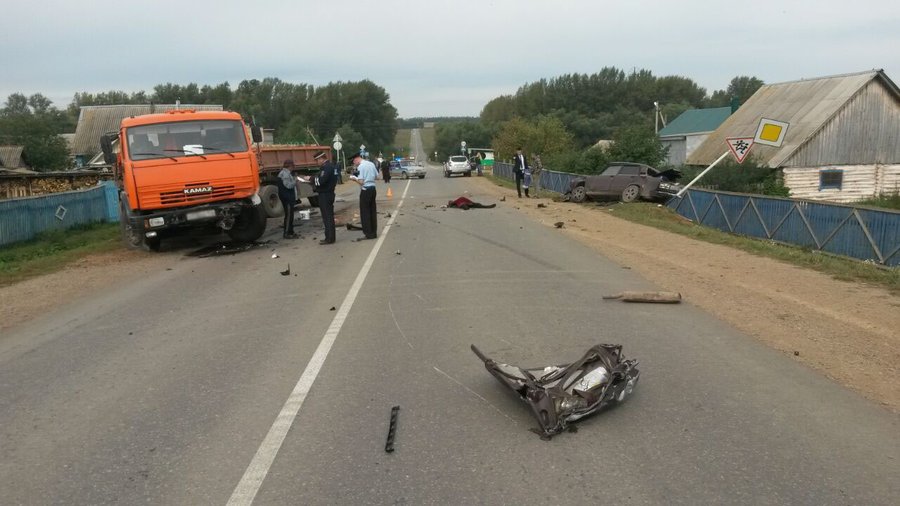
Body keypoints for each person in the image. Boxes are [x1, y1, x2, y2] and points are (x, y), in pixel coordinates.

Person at [348, 152, 378, 240]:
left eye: (354, 162)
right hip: (373, 189)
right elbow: (377, 176)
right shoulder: (371, 164)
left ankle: (368, 233)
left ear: (356, 159)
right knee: (372, 212)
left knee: (365, 213)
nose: (354, 164)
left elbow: (361, 182)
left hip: (365, 190)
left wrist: (354, 178)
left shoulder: (361, 166)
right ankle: (373, 232)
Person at [313, 151, 338, 244]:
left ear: (321, 159)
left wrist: (311, 179)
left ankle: (329, 238)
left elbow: (321, 181)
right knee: (329, 216)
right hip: (329, 193)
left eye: (317, 160)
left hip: (325, 194)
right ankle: (330, 237)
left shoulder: (326, 168)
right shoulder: (331, 166)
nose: (317, 162)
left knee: (327, 217)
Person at [277, 159, 298, 238]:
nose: (293, 168)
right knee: (289, 216)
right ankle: (287, 233)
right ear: (290, 166)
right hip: (287, 198)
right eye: (293, 166)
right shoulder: (285, 174)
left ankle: (290, 232)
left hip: (286, 197)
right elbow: (288, 185)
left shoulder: (285, 173)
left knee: (290, 215)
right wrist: (295, 181)